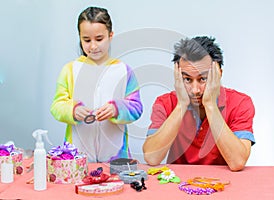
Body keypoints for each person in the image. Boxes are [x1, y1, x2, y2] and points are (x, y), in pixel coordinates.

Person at [143, 36, 255, 171]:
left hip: (224, 185)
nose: (195, 90)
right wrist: (181, 105)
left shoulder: (240, 103)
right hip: (179, 184)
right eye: (187, 79)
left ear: (218, 74)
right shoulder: (164, 103)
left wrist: (210, 105)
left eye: (203, 79)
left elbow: (237, 162)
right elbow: (152, 157)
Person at [50, 7, 143, 162]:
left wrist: (116, 108)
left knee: (116, 186)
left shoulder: (123, 71)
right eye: (86, 40)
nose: (93, 46)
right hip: (77, 157)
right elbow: (57, 106)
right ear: (80, 37)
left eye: (99, 39)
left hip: (116, 157)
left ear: (110, 36)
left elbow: (137, 108)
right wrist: (73, 110)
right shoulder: (70, 70)